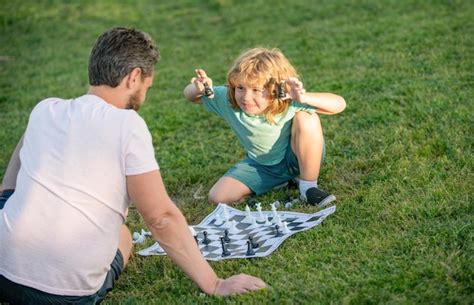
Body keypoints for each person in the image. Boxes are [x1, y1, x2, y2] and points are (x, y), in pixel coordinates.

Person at [0, 27, 266, 304]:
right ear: (134, 77)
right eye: (146, 87)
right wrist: (214, 283)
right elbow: (160, 217)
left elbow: (13, 171)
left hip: (2, 269)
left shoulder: (45, 109)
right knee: (123, 236)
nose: (144, 95)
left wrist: (6, 198)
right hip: (62, 294)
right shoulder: (127, 125)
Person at [183, 48, 346, 206]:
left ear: (277, 89)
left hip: (299, 158)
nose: (246, 97)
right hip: (261, 165)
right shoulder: (228, 99)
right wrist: (198, 88)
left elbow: (339, 104)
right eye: (240, 87)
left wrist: (304, 98)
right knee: (218, 197)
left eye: (256, 90)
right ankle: (281, 181)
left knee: (307, 118)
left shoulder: (287, 99)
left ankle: (308, 188)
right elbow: (190, 96)